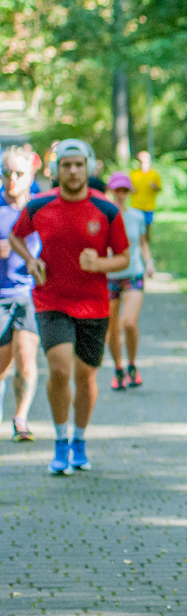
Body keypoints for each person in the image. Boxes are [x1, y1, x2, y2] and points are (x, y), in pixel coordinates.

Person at [10, 140, 129, 475]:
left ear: (88, 167)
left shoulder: (107, 209)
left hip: (94, 304)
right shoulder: (39, 205)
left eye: (79, 165)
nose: (73, 171)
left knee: (85, 376)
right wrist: (31, 260)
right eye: (66, 165)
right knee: (60, 369)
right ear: (55, 170)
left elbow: (124, 257)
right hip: (51, 300)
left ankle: (79, 439)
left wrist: (99, 264)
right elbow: (17, 236)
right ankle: (61, 441)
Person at [0, 146, 44, 441]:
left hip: (30, 295)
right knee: (2, 365)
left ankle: (21, 419)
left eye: (18, 173)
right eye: (7, 173)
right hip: (1, 295)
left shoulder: (41, 209)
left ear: (31, 175)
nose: (12, 178)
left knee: (27, 359)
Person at [104, 171, 153, 390]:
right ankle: (118, 368)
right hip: (110, 275)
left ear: (129, 192)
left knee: (129, 323)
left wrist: (149, 262)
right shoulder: (104, 216)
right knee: (112, 328)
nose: (121, 194)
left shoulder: (137, 216)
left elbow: (142, 242)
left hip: (134, 272)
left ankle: (132, 364)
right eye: (117, 190)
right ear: (111, 191)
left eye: (124, 190)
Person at [129, 150, 162, 239]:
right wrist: (131, 189)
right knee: (136, 228)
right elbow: (127, 189)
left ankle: (146, 243)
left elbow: (159, 189)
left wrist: (154, 187)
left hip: (149, 206)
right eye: (141, 161)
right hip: (136, 206)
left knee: (147, 228)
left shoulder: (154, 174)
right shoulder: (133, 174)